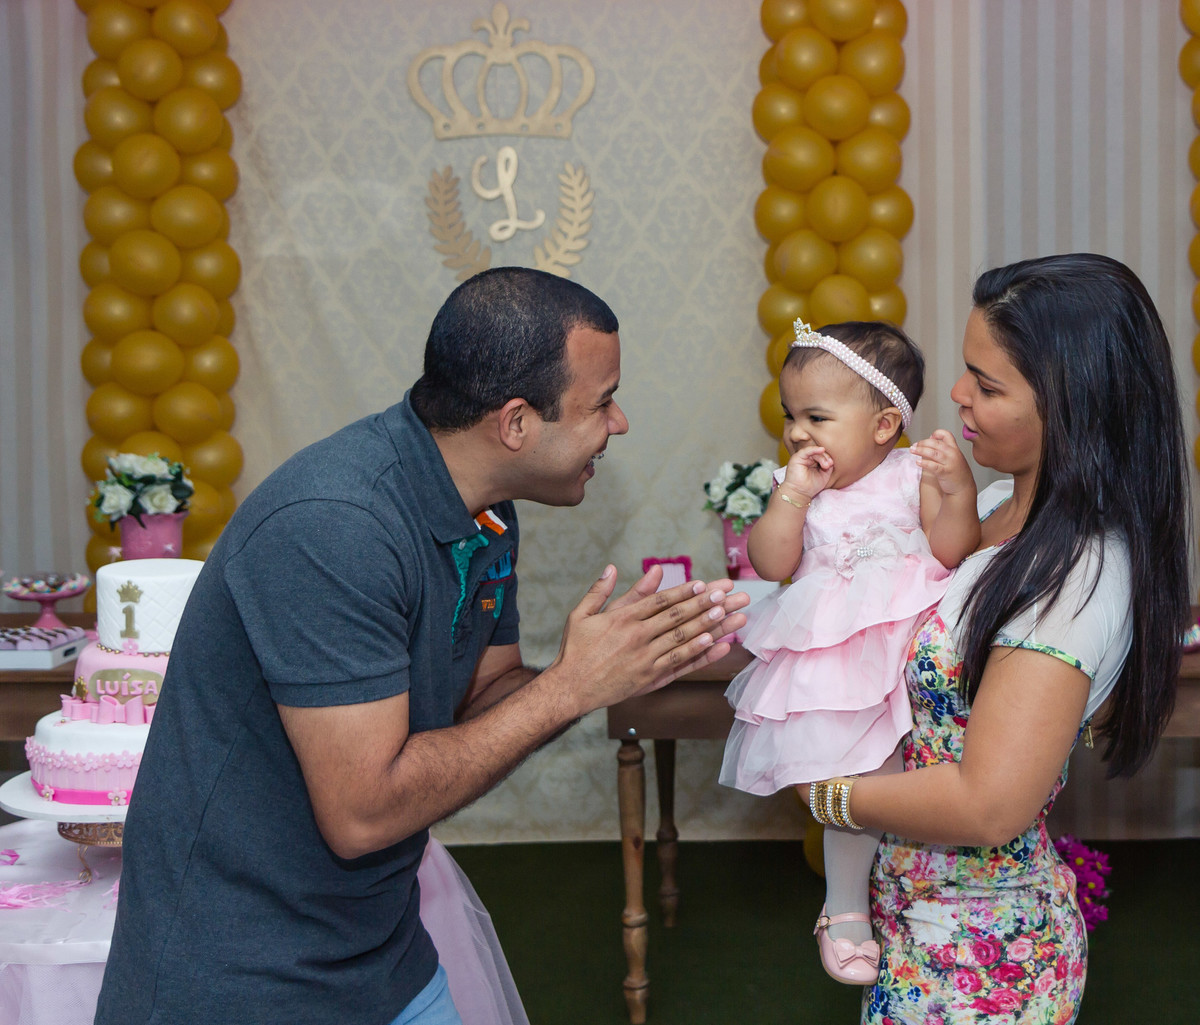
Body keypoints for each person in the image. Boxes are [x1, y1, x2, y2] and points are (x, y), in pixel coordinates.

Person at [94, 267, 750, 1025]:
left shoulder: (488, 507)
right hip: (243, 975)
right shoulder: (335, 525)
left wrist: (613, 670)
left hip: (381, 952)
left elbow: (489, 691)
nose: (621, 421)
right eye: (601, 402)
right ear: (514, 424)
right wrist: (572, 686)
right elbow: (363, 812)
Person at [796, 254, 1189, 1023]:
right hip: (919, 921)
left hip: (981, 960)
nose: (955, 393)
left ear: (1071, 405)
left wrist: (822, 794)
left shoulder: (1077, 570)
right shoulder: (999, 504)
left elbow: (988, 804)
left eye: (988, 383)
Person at [719, 320, 980, 985]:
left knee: (930, 776)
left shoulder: (909, 473)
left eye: (816, 416)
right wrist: (793, 495)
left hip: (912, 645)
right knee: (858, 778)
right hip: (840, 655)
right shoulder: (799, 485)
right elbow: (772, 560)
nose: (798, 431)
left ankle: (932, 898)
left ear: (885, 424)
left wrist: (958, 492)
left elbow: (950, 550)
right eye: (789, 416)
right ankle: (844, 909)